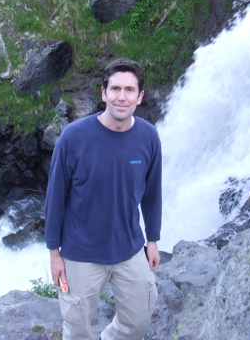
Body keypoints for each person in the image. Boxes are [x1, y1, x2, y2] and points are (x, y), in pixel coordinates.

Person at [45, 57, 162, 340]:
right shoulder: (74, 137)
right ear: (103, 93)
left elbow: (152, 192)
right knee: (77, 327)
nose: (122, 96)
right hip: (80, 254)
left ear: (140, 97)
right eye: (115, 89)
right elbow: (55, 198)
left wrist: (153, 240)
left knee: (138, 320)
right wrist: (54, 253)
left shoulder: (148, 137)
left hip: (130, 248)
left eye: (129, 90)